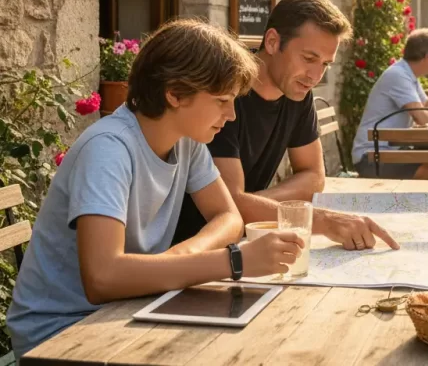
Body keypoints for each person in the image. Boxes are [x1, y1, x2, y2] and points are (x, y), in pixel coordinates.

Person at [7, 19, 305, 358]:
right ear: (175, 93)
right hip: (60, 335)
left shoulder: (186, 142)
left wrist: (181, 257)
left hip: (128, 310)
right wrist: (233, 261)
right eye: (222, 100)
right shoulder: (109, 149)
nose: (232, 115)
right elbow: (102, 278)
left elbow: (228, 216)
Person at [173, 0, 399, 252]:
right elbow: (230, 202)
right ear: (272, 42)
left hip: (244, 242)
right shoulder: (225, 95)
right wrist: (319, 219)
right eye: (308, 58)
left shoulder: (298, 91)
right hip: (193, 249)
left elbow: (314, 177)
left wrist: (259, 204)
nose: (315, 75)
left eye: (325, 64)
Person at [351, 28, 428, 180]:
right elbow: (423, 119)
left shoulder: (409, 75)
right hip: (371, 156)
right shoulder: (398, 75)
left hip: (390, 151)